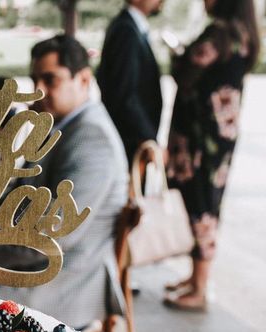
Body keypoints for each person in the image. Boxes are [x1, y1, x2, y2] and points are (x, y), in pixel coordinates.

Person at [0, 35, 129, 331]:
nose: (38, 90)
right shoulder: (64, 126)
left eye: (50, 79)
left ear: (85, 79)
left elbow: (51, 239)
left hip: (58, 285)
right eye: (35, 79)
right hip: (31, 265)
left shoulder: (92, 138)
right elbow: (19, 196)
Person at [163, 0, 260, 311]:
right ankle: (194, 278)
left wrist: (175, 52)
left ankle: (200, 288)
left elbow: (186, 67)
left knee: (201, 206)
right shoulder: (241, 33)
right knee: (207, 204)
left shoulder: (219, 34)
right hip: (217, 137)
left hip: (202, 141)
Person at [97, 0, 164, 165]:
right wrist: (147, 137)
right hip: (129, 141)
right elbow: (125, 94)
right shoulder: (125, 30)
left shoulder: (130, 27)